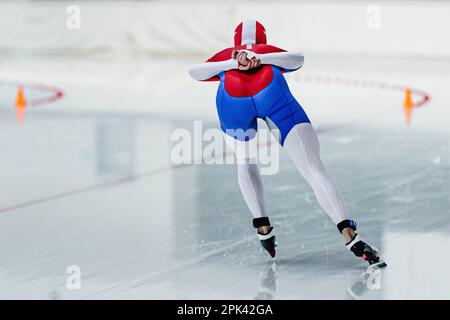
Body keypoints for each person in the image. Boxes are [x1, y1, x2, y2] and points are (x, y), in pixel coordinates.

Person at [188, 20, 386, 268]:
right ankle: (347, 231)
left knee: (245, 162)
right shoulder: (267, 49)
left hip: (232, 101)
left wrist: (232, 63)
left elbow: (194, 72)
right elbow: (297, 59)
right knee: (313, 169)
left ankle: (263, 229)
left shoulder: (227, 54)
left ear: (235, 39)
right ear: (263, 37)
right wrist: (259, 57)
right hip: (273, 97)